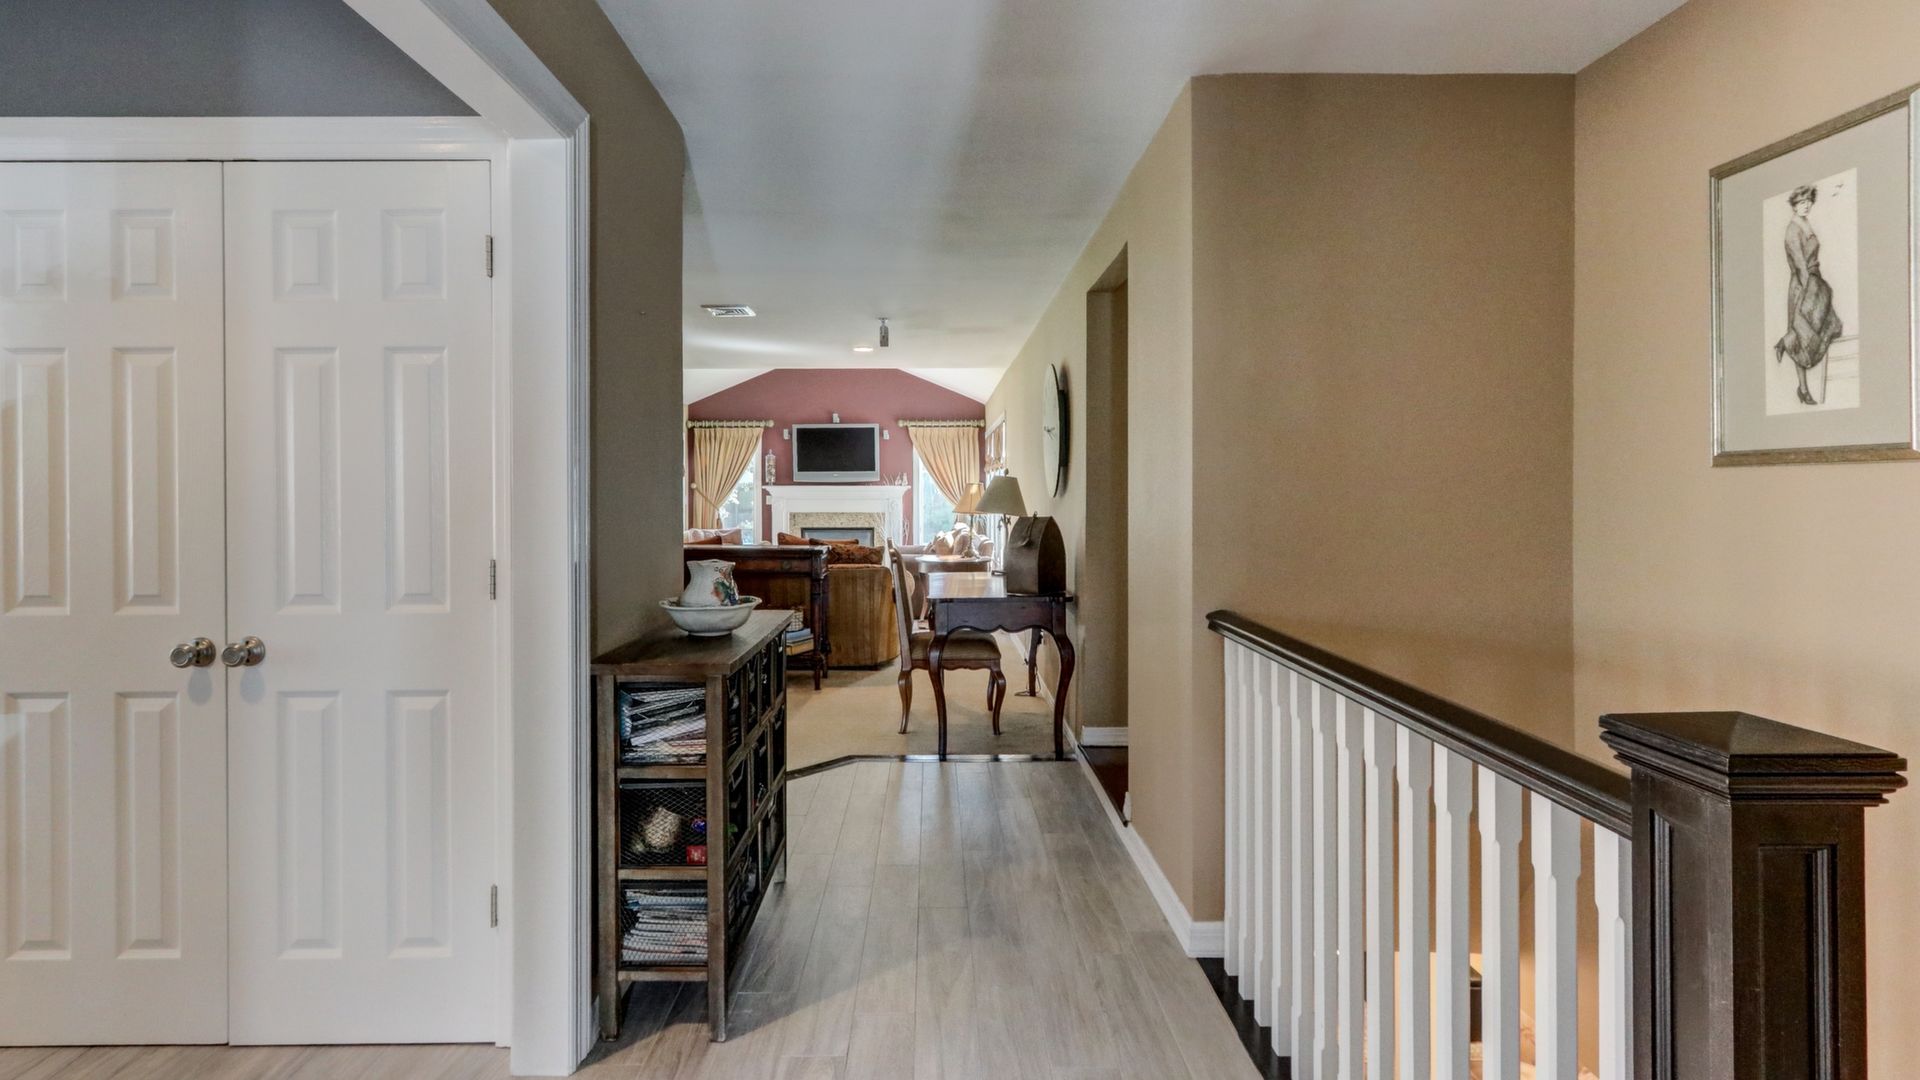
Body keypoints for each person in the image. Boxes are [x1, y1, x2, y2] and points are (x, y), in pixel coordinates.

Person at [1774, 184, 1843, 406]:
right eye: (1801, 202)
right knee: (1802, 337)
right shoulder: (1792, 230)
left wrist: (1818, 284)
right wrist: (1809, 291)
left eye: (1808, 201)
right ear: (1794, 205)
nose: (1806, 205)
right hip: (1802, 287)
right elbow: (1800, 265)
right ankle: (1803, 389)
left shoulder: (1806, 223)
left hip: (1814, 280)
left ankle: (1785, 342)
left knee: (1827, 325)